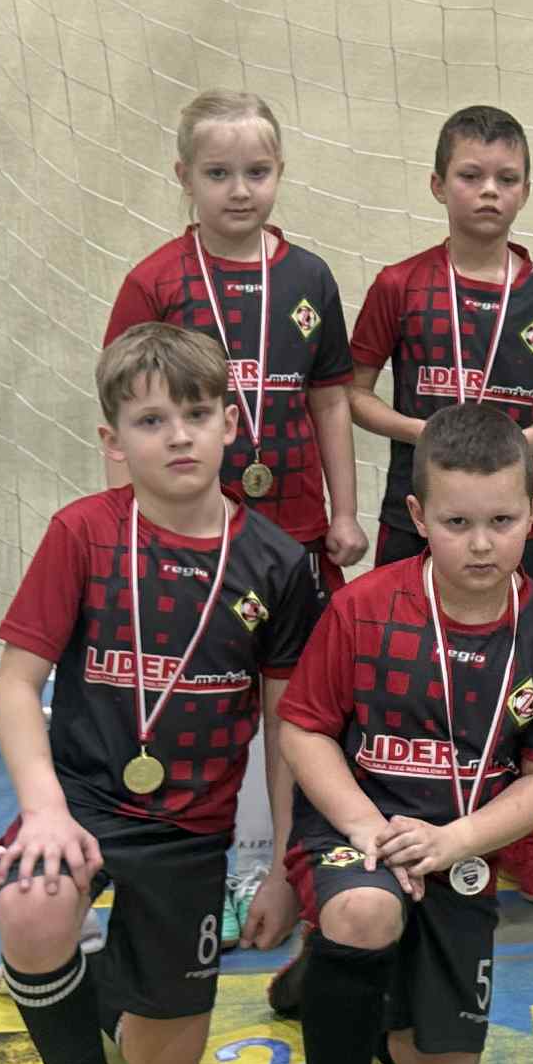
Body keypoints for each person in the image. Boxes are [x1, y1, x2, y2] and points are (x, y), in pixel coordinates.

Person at [0, 323, 324, 1064]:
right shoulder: (82, 534)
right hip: (83, 802)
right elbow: (15, 687)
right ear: (113, 440)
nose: (178, 436)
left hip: (189, 830)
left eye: (197, 414)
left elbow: (289, 733)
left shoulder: (277, 564)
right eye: (150, 420)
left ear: (230, 423)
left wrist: (284, 869)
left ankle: (67, 975)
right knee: (32, 902)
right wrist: (44, 810)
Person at [103, 90, 363, 949]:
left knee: (295, 700)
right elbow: (123, 411)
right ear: (184, 176)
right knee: (204, 696)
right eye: (218, 173)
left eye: (257, 171)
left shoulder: (309, 279)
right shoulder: (156, 281)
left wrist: (344, 510)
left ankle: (287, 862)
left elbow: (330, 398)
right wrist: (130, 524)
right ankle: (196, 858)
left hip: (291, 532)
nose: (240, 189)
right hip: (190, 531)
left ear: (280, 172)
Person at [279, 403, 533, 1064]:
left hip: (459, 847)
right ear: (417, 516)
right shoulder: (362, 609)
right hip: (357, 835)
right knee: (364, 909)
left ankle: (330, 978)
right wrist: (365, 827)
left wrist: (457, 840)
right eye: (456, 523)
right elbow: (302, 731)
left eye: (502, 521)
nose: (481, 543)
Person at [348, 103, 533, 903]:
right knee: (403, 669)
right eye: (471, 176)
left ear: (526, 190)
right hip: (415, 516)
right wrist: (430, 436)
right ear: (437, 184)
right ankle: (399, 814)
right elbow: (354, 394)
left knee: (518, 673)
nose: (489, 191)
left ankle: (518, 830)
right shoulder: (399, 285)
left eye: (506, 178)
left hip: (513, 523)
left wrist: (518, 445)